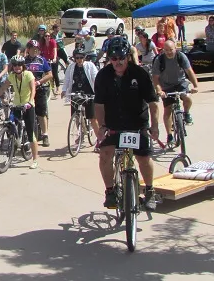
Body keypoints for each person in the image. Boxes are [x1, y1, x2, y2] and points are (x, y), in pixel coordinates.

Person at [93, 37, 160, 211]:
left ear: (128, 57)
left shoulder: (140, 74)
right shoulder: (103, 76)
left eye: (121, 58)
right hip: (112, 123)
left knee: (144, 158)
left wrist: (154, 126)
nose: (117, 62)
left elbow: (153, 103)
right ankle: (110, 191)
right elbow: (99, 104)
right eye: (113, 59)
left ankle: (150, 191)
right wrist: (101, 127)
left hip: (137, 122)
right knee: (105, 155)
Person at [152, 40, 199, 144]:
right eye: (166, 50)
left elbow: (189, 71)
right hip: (166, 86)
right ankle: (169, 135)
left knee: (187, 98)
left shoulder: (181, 56)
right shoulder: (159, 60)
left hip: (180, 83)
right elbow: (155, 78)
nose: (169, 52)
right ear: (163, 50)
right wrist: (159, 90)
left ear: (175, 49)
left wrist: (195, 86)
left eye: (171, 50)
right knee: (168, 109)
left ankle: (186, 113)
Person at [0, 56, 39, 168]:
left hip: (28, 105)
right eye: (15, 65)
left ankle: (35, 159)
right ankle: (14, 143)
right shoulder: (11, 76)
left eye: (19, 65)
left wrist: (30, 102)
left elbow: (33, 90)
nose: (17, 67)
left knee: (31, 133)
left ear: (23, 66)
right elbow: (3, 88)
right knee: (10, 125)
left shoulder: (28, 75)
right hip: (16, 104)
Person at [61, 47, 100, 139]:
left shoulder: (90, 65)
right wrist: (64, 90)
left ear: (84, 57)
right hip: (76, 92)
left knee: (92, 118)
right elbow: (67, 79)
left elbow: (96, 78)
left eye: (81, 57)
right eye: (77, 58)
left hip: (89, 92)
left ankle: (100, 140)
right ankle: (80, 133)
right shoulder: (71, 67)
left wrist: (98, 90)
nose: (79, 60)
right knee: (76, 115)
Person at [25, 40, 53, 147]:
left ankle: (45, 135)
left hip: (39, 89)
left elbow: (49, 74)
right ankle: (28, 135)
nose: (35, 50)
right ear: (29, 49)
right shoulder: (24, 61)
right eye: (32, 48)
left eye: (36, 48)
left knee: (41, 113)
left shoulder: (42, 60)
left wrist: (39, 82)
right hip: (26, 90)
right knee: (26, 112)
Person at [39, 29, 58, 97]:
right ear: (44, 37)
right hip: (45, 60)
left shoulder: (53, 42)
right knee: (44, 74)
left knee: (54, 74)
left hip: (52, 59)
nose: (48, 37)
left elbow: (55, 51)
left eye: (49, 36)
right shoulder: (42, 43)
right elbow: (40, 52)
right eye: (46, 36)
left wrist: (55, 58)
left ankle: (56, 89)